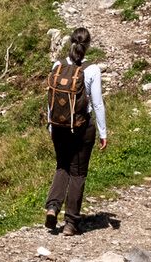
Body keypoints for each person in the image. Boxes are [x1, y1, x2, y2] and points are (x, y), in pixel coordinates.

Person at [44, 27, 109, 234]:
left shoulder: (58, 65)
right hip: (82, 127)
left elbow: (51, 101)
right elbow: (97, 104)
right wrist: (103, 132)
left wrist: (50, 124)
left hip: (59, 126)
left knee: (61, 166)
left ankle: (53, 207)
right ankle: (71, 222)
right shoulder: (92, 70)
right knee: (78, 172)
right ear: (87, 46)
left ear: (70, 43)